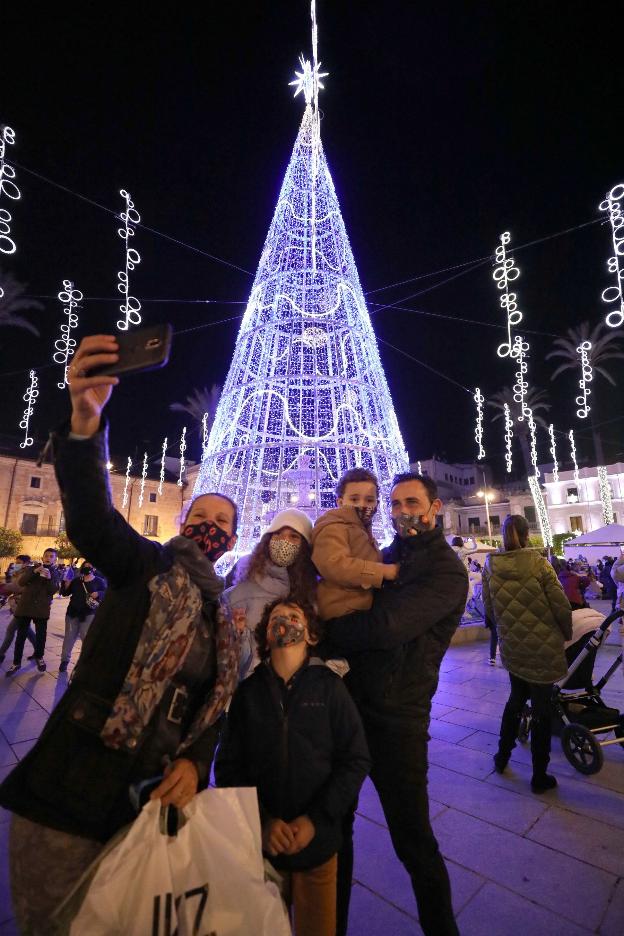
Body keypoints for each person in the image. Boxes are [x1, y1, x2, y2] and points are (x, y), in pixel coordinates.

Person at [0, 335, 240, 933]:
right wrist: (87, 419)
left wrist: (196, 762)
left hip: (152, 799)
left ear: (233, 541)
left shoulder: (223, 617)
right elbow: (91, 519)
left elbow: (212, 708)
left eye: (222, 523)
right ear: (183, 524)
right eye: (201, 518)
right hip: (75, 786)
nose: (209, 527)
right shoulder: (145, 565)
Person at [323, 471, 468, 936]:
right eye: (397, 504)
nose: (404, 512)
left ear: (434, 508)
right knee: (336, 831)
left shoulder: (445, 570)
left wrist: (322, 633)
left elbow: (383, 628)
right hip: (352, 707)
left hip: (399, 718)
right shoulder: (387, 557)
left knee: (413, 840)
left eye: (412, 503)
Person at [215, 597, 370, 936]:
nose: (284, 620)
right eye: (276, 617)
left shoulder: (330, 688)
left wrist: (316, 820)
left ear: (311, 636)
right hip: (261, 850)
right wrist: (264, 821)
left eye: (293, 616)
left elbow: (355, 758)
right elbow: (228, 766)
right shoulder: (248, 694)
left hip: (318, 847)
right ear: (265, 635)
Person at [482, 515, 572, 794]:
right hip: (542, 646)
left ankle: (502, 756)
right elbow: (561, 606)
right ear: (525, 534)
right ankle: (539, 775)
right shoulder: (539, 564)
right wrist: (566, 634)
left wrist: (506, 630)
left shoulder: (490, 566)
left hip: (513, 646)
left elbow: (488, 607)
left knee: (515, 699)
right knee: (542, 710)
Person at [222, 508, 316, 679]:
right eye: (278, 534)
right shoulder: (240, 587)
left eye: (294, 537)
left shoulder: (312, 595)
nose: (284, 541)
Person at [311, 467, 398, 621]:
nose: (362, 505)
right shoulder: (333, 526)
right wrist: (382, 571)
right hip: (341, 613)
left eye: (369, 500)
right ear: (340, 501)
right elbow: (335, 565)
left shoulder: (362, 529)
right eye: (354, 499)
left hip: (359, 610)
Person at [6, 548, 61, 675]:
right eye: (46, 555)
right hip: (25, 607)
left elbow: (53, 590)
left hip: (41, 610)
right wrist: (35, 571)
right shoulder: (32, 568)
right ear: (42, 557)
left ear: (55, 559)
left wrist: (49, 577)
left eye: (51, 556)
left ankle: (39, 657)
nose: (48, 558)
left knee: (41, 637)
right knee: (20, 637)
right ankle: (16, 663)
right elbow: (21, 582)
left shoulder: (56, 572)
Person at [58, 561, 107, 673]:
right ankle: (64, 661)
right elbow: (65, 593)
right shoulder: (76, 580)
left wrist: (98, 593)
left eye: (90, 566)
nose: (87, 568)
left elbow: (106, 593)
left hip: (89, 614)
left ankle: (87, 662)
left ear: (94, 568)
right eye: (85, 566)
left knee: (87, 638)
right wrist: (66, 584)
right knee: (69, 638)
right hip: (72, 613)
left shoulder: (99, 581)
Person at [0, 555, 36, 663]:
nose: (16, 564)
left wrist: (3, 586)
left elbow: (17, 586)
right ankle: (39, 651)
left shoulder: (28, 573)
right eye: (16, 562)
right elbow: (13, 587)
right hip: (18, 604)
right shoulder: (17, 572)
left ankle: (1, 654)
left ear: (26, 563)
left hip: (24, 605)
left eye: (19, 562)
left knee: (11, 630)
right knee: (27, 631)